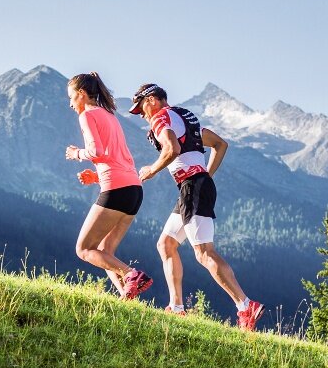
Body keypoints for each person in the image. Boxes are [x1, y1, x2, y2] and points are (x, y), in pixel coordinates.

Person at [129, 83, 264, 331]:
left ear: (151, 101)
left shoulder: (160, 118)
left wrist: (151, 170)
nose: (142, 116)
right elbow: (221, 144)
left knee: (204, 253)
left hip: (193, 187)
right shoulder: (183, 118)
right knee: (166, 244)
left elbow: (172, 149)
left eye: (140, 109)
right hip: (193, 187)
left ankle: (245, 305)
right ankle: (176, 307)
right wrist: (206, 176)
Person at [64, 72, 153, 300]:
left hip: (116, 190)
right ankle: (126, 297)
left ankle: (132, 275)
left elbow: (96, 151)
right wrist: (97, 177)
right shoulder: (110, 116)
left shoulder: (87, 115)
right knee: (105, 251)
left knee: (84, 249)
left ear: (82, 94)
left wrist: (76, 154)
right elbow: (117, 158)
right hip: (133, 190)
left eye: (71, 97)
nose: (71, 103)